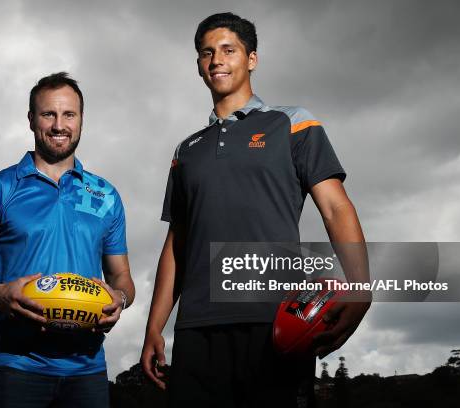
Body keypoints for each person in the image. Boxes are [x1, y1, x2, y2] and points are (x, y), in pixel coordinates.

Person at [141, 12, 370, 407]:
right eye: (206, 53)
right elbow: (176, 243)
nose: (216, 60)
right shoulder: (186, 151)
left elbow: (335, 208)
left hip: (276, 323)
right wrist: (154, 326)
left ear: (251, 59)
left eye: (228, 50)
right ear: (198, 65)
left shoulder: (294, 122)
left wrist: (360, 285)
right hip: (197, 328)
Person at [0, 72, 135, 408]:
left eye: (69, 114)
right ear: (32, 120)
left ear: (81, 120)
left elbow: (121, 278)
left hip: (87, 369)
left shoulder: (105, 195)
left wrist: (119, 298)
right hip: (14, 365)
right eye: (49, 114)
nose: (59, 125)